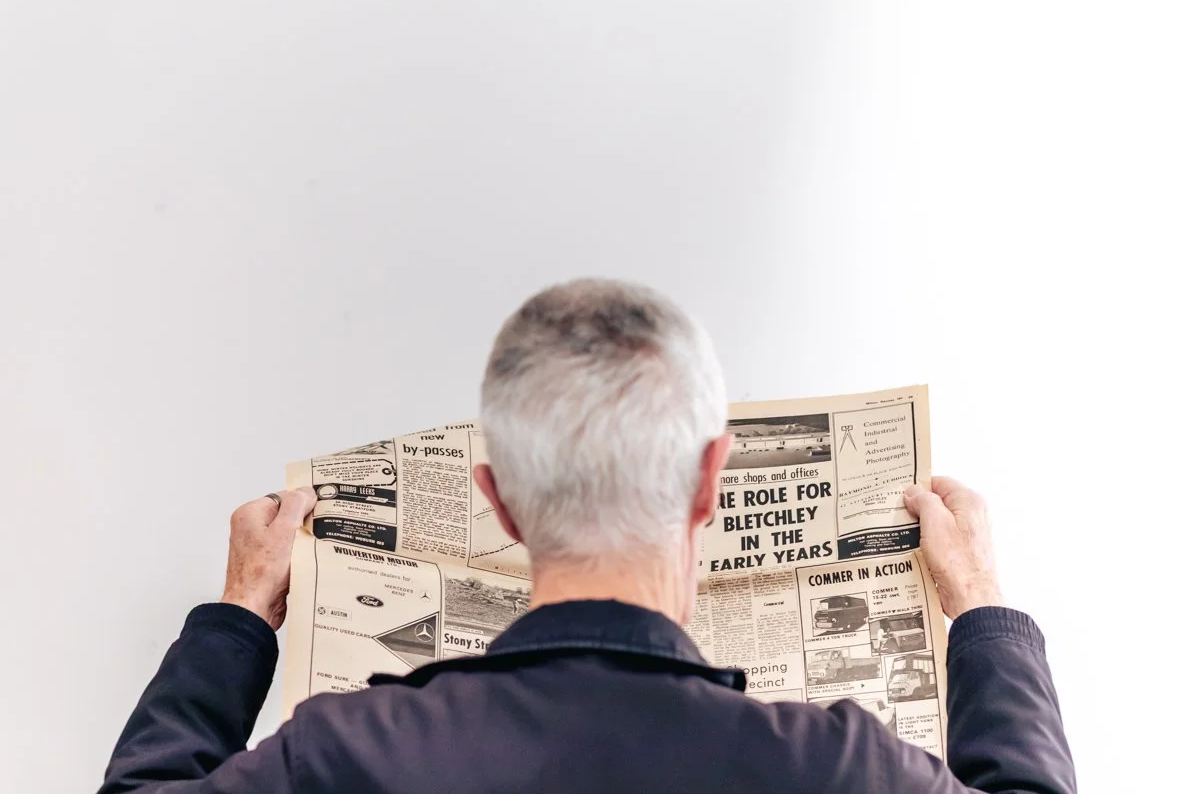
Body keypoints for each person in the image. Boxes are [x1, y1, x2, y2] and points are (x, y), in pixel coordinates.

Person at [100, 279, 1075, 793]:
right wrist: (982, 610)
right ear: (709, 482)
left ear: (498, 497)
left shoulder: (346, 751)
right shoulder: (838, 767)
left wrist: (234, 622)